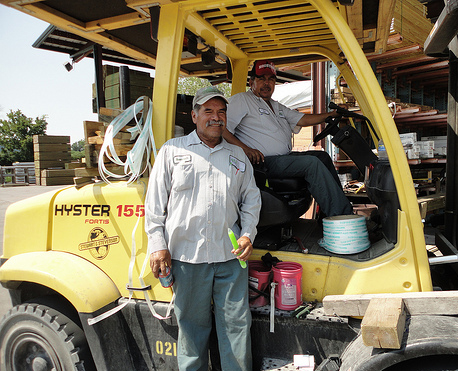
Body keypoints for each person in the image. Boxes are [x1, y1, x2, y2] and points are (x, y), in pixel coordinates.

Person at [145, 86, 261, 371]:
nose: (216, 117)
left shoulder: (238, 156)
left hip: (230, 257)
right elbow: (154, 204)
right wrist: (157, 244)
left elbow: (251, 199)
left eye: (221, 112)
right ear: (194, 115)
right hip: (187, 259)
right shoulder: (172, 151)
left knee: (236, 329)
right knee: (192, 331)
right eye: (208, 111)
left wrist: (248, 233)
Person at [223, 59, 353, 217]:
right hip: (263, 163)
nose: (266, 83)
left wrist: (331, 115)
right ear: (251, 82)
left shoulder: (275, 105)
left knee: (323, 157)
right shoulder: (242, 100)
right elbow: (223, 129)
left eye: (271, 79)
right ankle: (342, 217)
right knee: (311, 164)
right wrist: (247, 149)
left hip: (283, 158)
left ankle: (330, 214)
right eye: (261, 78)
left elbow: (303, 120)